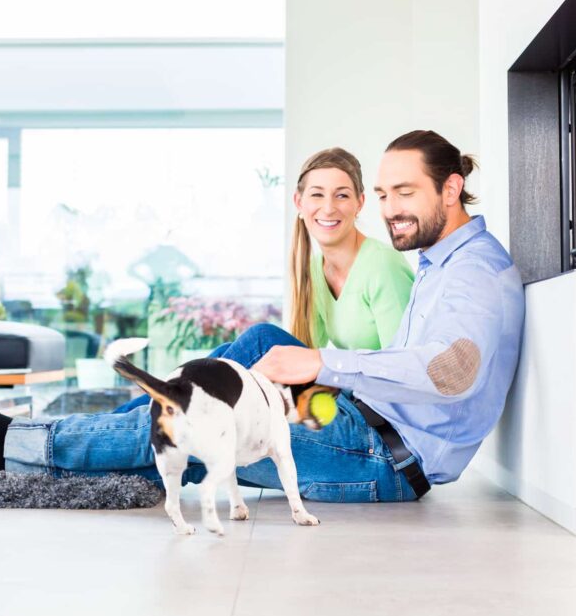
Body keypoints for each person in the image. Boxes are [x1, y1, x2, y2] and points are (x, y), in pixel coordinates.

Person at [0, 130, 524, 503]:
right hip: (369, 425)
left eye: (404, 193)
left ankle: (1, 442)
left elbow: (453, 371)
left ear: (450, 189)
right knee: (239, 359)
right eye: (385, 194)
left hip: (384, 457)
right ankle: (52, 435)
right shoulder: (445, 259)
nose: (390, 210)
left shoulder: (472, 271)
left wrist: (324, 363)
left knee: (205, 415)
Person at [111, 146, 414, 415]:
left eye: (342, 195)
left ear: (360, 203)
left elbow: (402, 373)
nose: (329, 207)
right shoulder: (314, 268)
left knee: (261, 342)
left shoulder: (381, 265)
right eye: (317, 194)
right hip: (341, 393)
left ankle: (123, 424)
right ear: (299, 202)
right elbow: (306, 348)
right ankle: (124, 422)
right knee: (223, 358)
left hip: (373, 410)